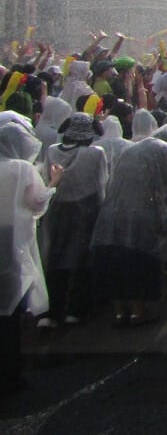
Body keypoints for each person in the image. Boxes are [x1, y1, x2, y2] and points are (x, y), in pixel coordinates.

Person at [90, 122, 167, 328]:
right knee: (138, 262)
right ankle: (139, 312)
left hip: (111, 213)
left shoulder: (132, 149)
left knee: (116, 262)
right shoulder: (166, 150)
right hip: (141, 216)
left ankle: (120, 313)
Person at [0, 114, 63, 394]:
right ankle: (11, 375)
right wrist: (54, 182)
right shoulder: (21, 168)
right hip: (10, 241)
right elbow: (36, 203)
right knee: (10, 314)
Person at [39, 113, 108, 328]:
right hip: (87, 210)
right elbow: (102, 184)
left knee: (56, 259)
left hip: (57, 210)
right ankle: (77, 310)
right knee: (82, 260)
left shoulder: (51, 151)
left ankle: (51, 312)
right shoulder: (96, 153)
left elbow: (47, 181)